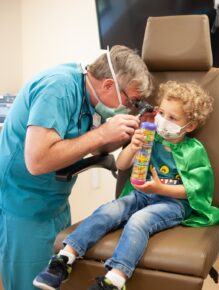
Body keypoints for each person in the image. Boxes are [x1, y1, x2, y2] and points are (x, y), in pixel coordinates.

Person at [33, 80, 219, 290]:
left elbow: (196, 191)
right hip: (141, 195)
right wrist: (132, 147)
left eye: (172, 118)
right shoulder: (149, 137)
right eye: (161, 113)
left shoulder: (193, 150)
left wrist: (160, 189)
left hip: (173, 204)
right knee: (109, 210)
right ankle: (63, 260)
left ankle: (115, 279)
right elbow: (121, 165)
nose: (163, 120)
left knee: (139, 220)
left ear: (189, 126)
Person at [0, 45, 153, 290]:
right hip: (23, 202)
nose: (130, 107)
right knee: (28, 284)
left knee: (56, 277)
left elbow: (96, 148)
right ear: (108, 85)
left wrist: (119, 135)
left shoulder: (91, 95)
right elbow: (37, 162)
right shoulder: (58, 89)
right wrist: (102, 133)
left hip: (55, 200)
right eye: (130, 100)